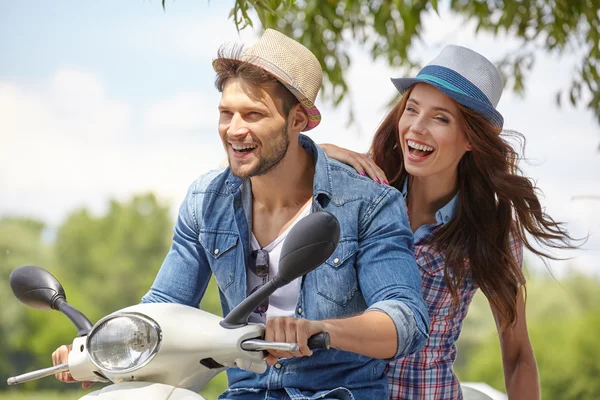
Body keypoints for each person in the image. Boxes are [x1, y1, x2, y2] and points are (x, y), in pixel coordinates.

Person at [52, 29, 429, 399]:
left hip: (338, 393)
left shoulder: (370, 203)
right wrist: (99, 346)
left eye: (253, 114)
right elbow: (164, 307)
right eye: (226, 113)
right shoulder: (206, 201)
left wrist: (318, 329)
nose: (234, 130)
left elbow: (405, 319)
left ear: (297, 120)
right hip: (247, 393)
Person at [321, 45, 576, 399]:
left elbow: (517, 353)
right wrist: (318, 153)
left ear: (472, 137)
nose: (417, 128)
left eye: (440, 118)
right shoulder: (360, 188)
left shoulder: (490, 229)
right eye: (411, 109)